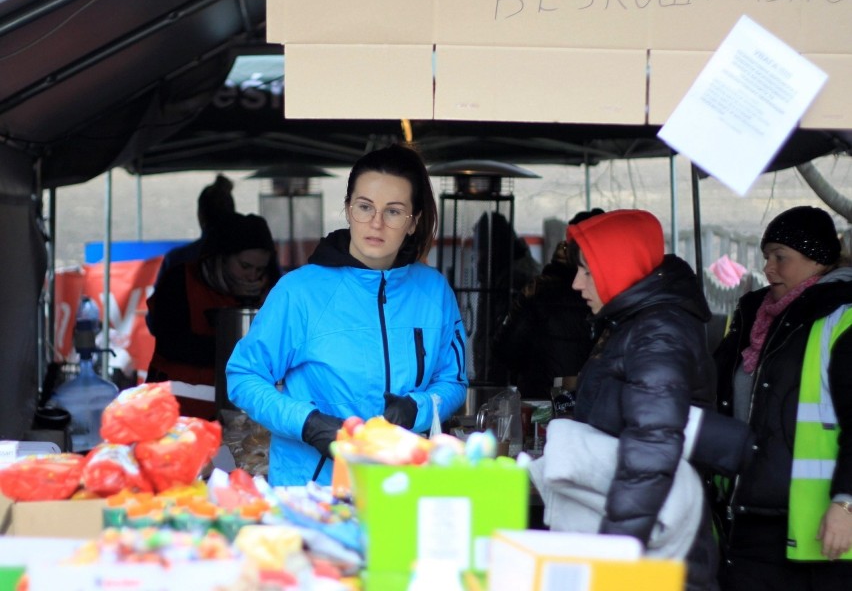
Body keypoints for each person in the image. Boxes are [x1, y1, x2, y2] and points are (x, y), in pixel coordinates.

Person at [226, 144, 468, 486]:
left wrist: (419, 408)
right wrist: (307, 423)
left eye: (394, 212)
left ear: (413, 222)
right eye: (364, 207)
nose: (376, 223)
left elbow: (454, 381)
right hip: (311, 492)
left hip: (402, 486)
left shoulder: (434, 291)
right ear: (347, 208)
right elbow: (243, 376)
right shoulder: (299, 291)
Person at [566, 209, 719, 590]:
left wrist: (617, 551)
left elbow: (652, 449)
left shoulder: (657, 334)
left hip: (659, 545)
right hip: (650, 533)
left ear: (618, 268)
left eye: (587, 270)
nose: (575, 284)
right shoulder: (635, 325)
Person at [713, 206, 852, 590]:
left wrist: (846, 503)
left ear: (818, 260)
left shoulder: (842, 319)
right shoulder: (755, 317)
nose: (768, 268)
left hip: (819, 529)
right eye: (765, 257)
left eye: (780, 257)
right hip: (747, 515)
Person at [146, 212, 280, 418]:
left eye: (259, 269)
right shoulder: (180, 280)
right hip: (176, 409)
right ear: (222, 257)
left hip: (241, 412)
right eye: (245, 266)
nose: (252, 276)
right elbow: (171, 343)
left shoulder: (270, 290)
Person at [491, 209, 603, 401]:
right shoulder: (622, 301)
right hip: (591, 406)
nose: (579, 284)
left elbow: (506, 350)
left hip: (540, 403)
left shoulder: (539, 289)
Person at [472, 211, 540, 384]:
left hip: (506, 382)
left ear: (492, 250)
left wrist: (490, 377)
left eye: (480, 249)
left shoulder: (513, 281)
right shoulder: (505, 275)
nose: (476, 258)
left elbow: (504, 340)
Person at [154, 174, 236, 287]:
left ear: (200, 215)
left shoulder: (177, 260)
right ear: (234, 214)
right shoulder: (254, 260)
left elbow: (158, 302)